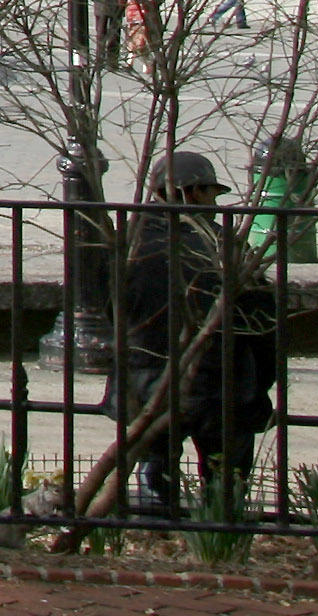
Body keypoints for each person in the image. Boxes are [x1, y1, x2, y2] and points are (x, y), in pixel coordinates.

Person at [113, 151, 281, 520]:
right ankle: (220, 538)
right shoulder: (222, 248)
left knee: (155, 475)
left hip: (146, 382)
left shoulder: (128, 244)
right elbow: (263, 321)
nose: (213, 203)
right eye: (209, 193)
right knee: (225, 485)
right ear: (189, 192)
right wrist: (261, 381)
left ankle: (156, 527)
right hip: (220, 382)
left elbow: (107, 312)